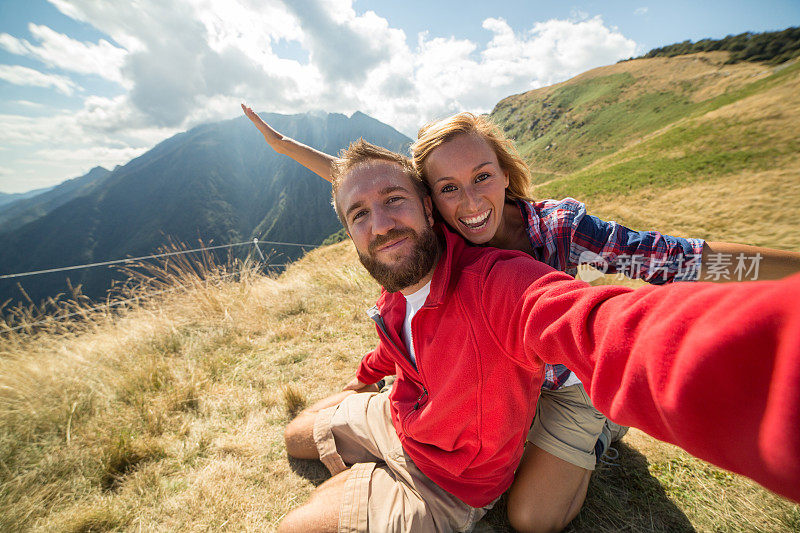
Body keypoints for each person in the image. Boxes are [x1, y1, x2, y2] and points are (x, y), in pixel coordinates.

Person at [243, 105, 800, 532]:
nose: (471, 202)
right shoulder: (437, 235)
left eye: (482, 176)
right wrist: (285, 146)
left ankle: (603, 426)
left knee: (532, 518)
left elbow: (670, 262)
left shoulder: (558, 231)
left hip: (567, 380)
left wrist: (788, 286)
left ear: (506, 173)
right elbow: (367, 187)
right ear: (431, 201)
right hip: (502, 382)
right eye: (449, 188)